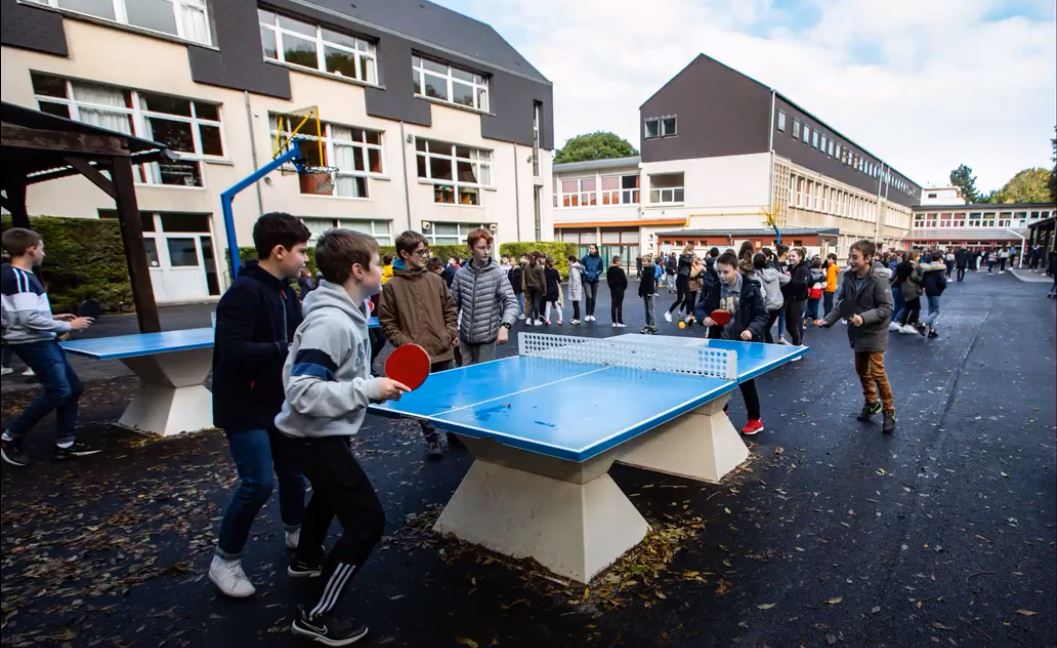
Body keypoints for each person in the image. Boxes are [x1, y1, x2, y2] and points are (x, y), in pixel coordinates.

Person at [274, 229, 407, 644]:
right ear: (357, 270)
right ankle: (316, 615)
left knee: (330, 494)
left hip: (320, 432)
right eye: (377, 258)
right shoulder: (331, 323)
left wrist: (369, 386)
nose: (382, 265)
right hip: (312, 437)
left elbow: (331, 376)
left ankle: (306, 559)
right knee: (367, 521)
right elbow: (301, 390)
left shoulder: (347, 311)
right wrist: (368, 389)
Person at [207, 213, 310, 597]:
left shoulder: (287, 291)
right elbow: (232, 352)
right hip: (244, 406)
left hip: (278, 401)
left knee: (293, 474)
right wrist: (285, 349)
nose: (304, 259)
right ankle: (225, 560)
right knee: (258, 483)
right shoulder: (244, 293)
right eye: (300, 252)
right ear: (279, 251)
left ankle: (297, 533)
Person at [1, 228, 96, 467]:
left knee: (72, 388)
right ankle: (10, 435)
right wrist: (67, 325)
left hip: (40, 340)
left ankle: (65, 444)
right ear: (31, 249)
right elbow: (27, 318)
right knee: (59, 391)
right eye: (41, 248)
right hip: (33, 342)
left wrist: (54, 317)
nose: (43, 252)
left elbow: (25, 312)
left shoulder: (19, 276)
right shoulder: (20, 276)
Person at [379, 231, 458, 459]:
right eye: (420, 252)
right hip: (415, 359)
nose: (425, 256)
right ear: (404, 254)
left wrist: (448, 333)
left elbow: (451, 310)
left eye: (426, 251)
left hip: (443, 352)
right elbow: (388, 322)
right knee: (423, 403)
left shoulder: (436, 281)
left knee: (449, 397)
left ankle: (455, 433)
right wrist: (408, 347)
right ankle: (433, 441)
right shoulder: (391, 287)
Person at [814, 239, 896, 434]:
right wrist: (828, 320)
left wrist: (864, 318)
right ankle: (871, 403)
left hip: (875, 331)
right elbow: (843, 302)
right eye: (850, 256)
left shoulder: (878, 278)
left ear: (868, 258)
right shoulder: (849, 277)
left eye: (855, 257)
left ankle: (889, 411)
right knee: (861, 370)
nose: (850, 260)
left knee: (877, 372)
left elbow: (887, 307)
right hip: (857, 331)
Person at [695, 251, 769, 435]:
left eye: (726, 272)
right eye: (719, 272)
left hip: (743, 344)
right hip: (720, 342)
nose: (721, 276)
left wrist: (750, 330)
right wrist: (703, 318)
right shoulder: (715, 287)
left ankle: (755, 419)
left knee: (746, 382)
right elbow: (700, 307)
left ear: (736, 269)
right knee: (719, 381)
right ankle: (723, 411)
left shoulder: (751, 288)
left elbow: (762, 315)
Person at [449, 228, 518, 364]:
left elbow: (512, 303)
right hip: (464, 339)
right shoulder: (460, 274)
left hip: (487, 339)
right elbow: (452, 306)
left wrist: (505, 327)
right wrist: (452, 332)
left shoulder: (497, 273)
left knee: (484, 379)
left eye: (488, 247)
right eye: (481, 248)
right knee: (465, 377)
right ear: (471, 249)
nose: (486, 251)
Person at [781, 248, 811, 351]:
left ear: (800, 257)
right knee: (791, 325)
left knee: (793, 325)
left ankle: (797, 347)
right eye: (789, 256)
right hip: (789, 299)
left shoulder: (803, 269)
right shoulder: (789, 268)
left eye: (793, 256)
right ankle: (798, 344)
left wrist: (789, 280)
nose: (791, 258)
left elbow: (803, 285)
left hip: (798, 300)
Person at [753, 252, 787, 342]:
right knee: (766, 328)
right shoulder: (773, 271)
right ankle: (769, 345)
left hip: (766, 305)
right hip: (777, 303)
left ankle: (767, 347)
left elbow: (761, 293)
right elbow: (786, 279)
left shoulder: (756, 275)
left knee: (763, 329)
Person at [893, 251, 924, 334]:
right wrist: (922, 281)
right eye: (918, 256)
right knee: (916, 307)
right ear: (915, 257)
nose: (919, 257)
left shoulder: (904, 264)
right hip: (912, 288)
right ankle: (909, 324)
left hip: (905, 288)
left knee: (907, 307)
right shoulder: (913, 265)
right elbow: (914, 276)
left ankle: (903, 324)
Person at [665, 243, 696, 323]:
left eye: (693, 251)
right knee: (679, 299)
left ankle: (688, 316)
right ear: (687, 250)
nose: (693, 252)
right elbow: (689, 261)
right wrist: (691, 256)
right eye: (691, 250)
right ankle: (668, 312)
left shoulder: (688, 257)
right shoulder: (682, 257)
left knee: (689, 298)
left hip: (685, 280)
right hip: (681, 280)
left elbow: (691, 263)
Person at [919, 252, 947, 339]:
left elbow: (923, 280)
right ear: (939, 259)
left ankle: (932, 330)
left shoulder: (927, 268)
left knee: (931, 311)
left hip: (929, 290)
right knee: (936, 311)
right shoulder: (940, 268)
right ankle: (923, 323)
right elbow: (942, 282)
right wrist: (943, 287)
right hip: (936, 291)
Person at [580, 244, 604, 322]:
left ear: (596, 250)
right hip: (586, 280)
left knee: (593, 298)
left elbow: (601, 269)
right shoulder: (585, 258)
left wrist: (596, 274)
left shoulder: (599, 259)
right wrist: (585, 273)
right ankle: (587, 314)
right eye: (590, 248)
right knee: (589, 296)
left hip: (595, 280)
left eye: (592, 248)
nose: (591, 249)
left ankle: (592, 314)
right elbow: (581, 268)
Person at [522, 252, 546, 326]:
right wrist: (544, 289)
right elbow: (543, 280)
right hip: (538, 288)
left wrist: (525, 288)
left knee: (531, 303)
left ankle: (528, 319)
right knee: (536, 304)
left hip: (529, 287)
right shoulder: (539, 268)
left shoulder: (526, 267)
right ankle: (536, 320)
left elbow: (524, 278)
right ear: (537, 258)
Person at [638, 254, 658, 334]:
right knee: (646, 310)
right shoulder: (644, 271)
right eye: (642, 261)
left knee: (651, 311)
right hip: (645, 293)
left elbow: (650, 283)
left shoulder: (651, 270)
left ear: (649, 262)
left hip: (650, 293)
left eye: (645, 261)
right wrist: (640, 292)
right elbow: (642, 283)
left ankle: (653, 327)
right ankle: (647, 325)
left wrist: (650, 292)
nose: (643, 263)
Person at [607, 255, 628, 328]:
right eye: (620, 261)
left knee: (613, 305)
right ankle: (619, 321)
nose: (620, 262)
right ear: (617, 261)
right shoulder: (620, 270)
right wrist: (624, 287)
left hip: (613, 290)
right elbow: (625, 281)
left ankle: (613, 322)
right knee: (619, 305)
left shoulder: (609, 270)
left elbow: (608, 281)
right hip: (620, 289)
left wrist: (611, 287)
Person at [542, 256, 563, 325]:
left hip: (547, 290)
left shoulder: (544, 271)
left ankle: (547, 320)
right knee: (556, 304)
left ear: (546, 263)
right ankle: (560, 320)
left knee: (548, 305)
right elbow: (559, 281)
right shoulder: (555, 270)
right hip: (554, 289)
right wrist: (560, 278)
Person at [685, 255, 705, 326]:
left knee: (693, 301)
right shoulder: (690, 266)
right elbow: (692, 274)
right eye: (694, 258)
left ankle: (691, 316)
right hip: (689, 285)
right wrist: (699, 269)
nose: (696, 259)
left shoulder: (696, 265)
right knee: (688, 301)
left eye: (696, 258)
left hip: (695, 286)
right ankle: (687, 315)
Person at [805, 257, 825, 327]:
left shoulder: (809, 272)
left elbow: (807, 281)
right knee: (815, 306)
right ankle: (815, 320)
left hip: (809, 290)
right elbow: (824, 283)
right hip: (818, 290)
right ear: (820, 265)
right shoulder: (822, 273)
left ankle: (804, 319)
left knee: (808, 305)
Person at [566, 255, 584, 324]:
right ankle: (575, 317)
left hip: (575, 289)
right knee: (575, 303)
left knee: (575, 304)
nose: (567, 262)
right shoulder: (575, 267)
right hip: (577, 288)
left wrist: (573, 290)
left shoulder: (573, 268)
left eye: (568, 260)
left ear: (571, 261)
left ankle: (577, 319)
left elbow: (575, 280)